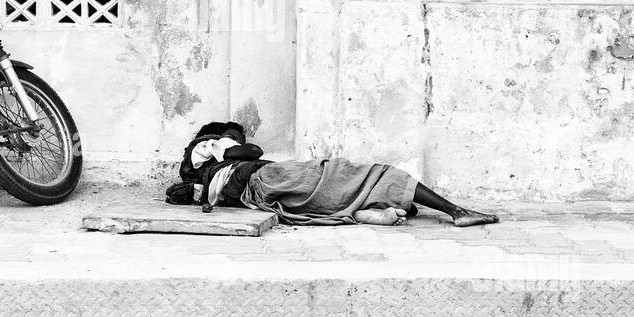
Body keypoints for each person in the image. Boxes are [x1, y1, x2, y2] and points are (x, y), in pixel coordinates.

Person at [171, 122, 498, 227]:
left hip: (257, 193)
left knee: (326, 192)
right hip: (262, 179)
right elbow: (252, 153)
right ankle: (456, 212)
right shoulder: (212, 145)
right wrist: (231, 138)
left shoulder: (202, 178)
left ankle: (368, 209)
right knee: (345, 173)